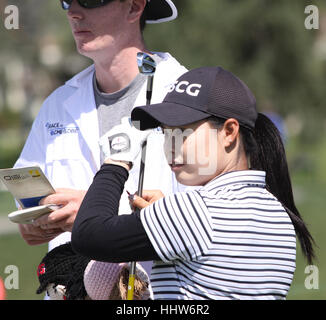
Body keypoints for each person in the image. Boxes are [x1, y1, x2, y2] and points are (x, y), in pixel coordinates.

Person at [72, 66, 315, 300]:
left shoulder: (196, 212)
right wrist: (167, 215)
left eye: (182, 132)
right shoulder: (276, 212)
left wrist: (115, 163)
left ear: (229, 131)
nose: (170, 147)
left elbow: (88, 235)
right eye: (166, 133)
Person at [13, 0, 187, 261]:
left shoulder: (186, 97)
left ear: (134, 7)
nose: (73, 12)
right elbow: (24, 185)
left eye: (90, 0)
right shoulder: (56, 104)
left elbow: (209, 219)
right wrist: (30, 219)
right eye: (67, 1)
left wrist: (95, 214)